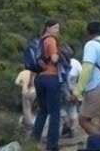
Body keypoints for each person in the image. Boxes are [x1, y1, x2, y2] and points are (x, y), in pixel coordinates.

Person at [32, 20, 63, 151]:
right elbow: (54, 58)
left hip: (39, 78)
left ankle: (33, 141)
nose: (57, 30)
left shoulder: (39, 41)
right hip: (51, 78)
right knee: (55, 113)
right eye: (55, 27)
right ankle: (52, 146)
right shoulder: (51, 40)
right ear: (48, 28)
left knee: (42, 111)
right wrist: (60, 57)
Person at [61, 49, 82, 138]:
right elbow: (82, 76)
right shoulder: (76, 63)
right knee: (72, 111)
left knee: (61, 110)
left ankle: (69, 127)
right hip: (74, 90)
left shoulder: (60, 64)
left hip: (62, 92)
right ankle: (72, 129)